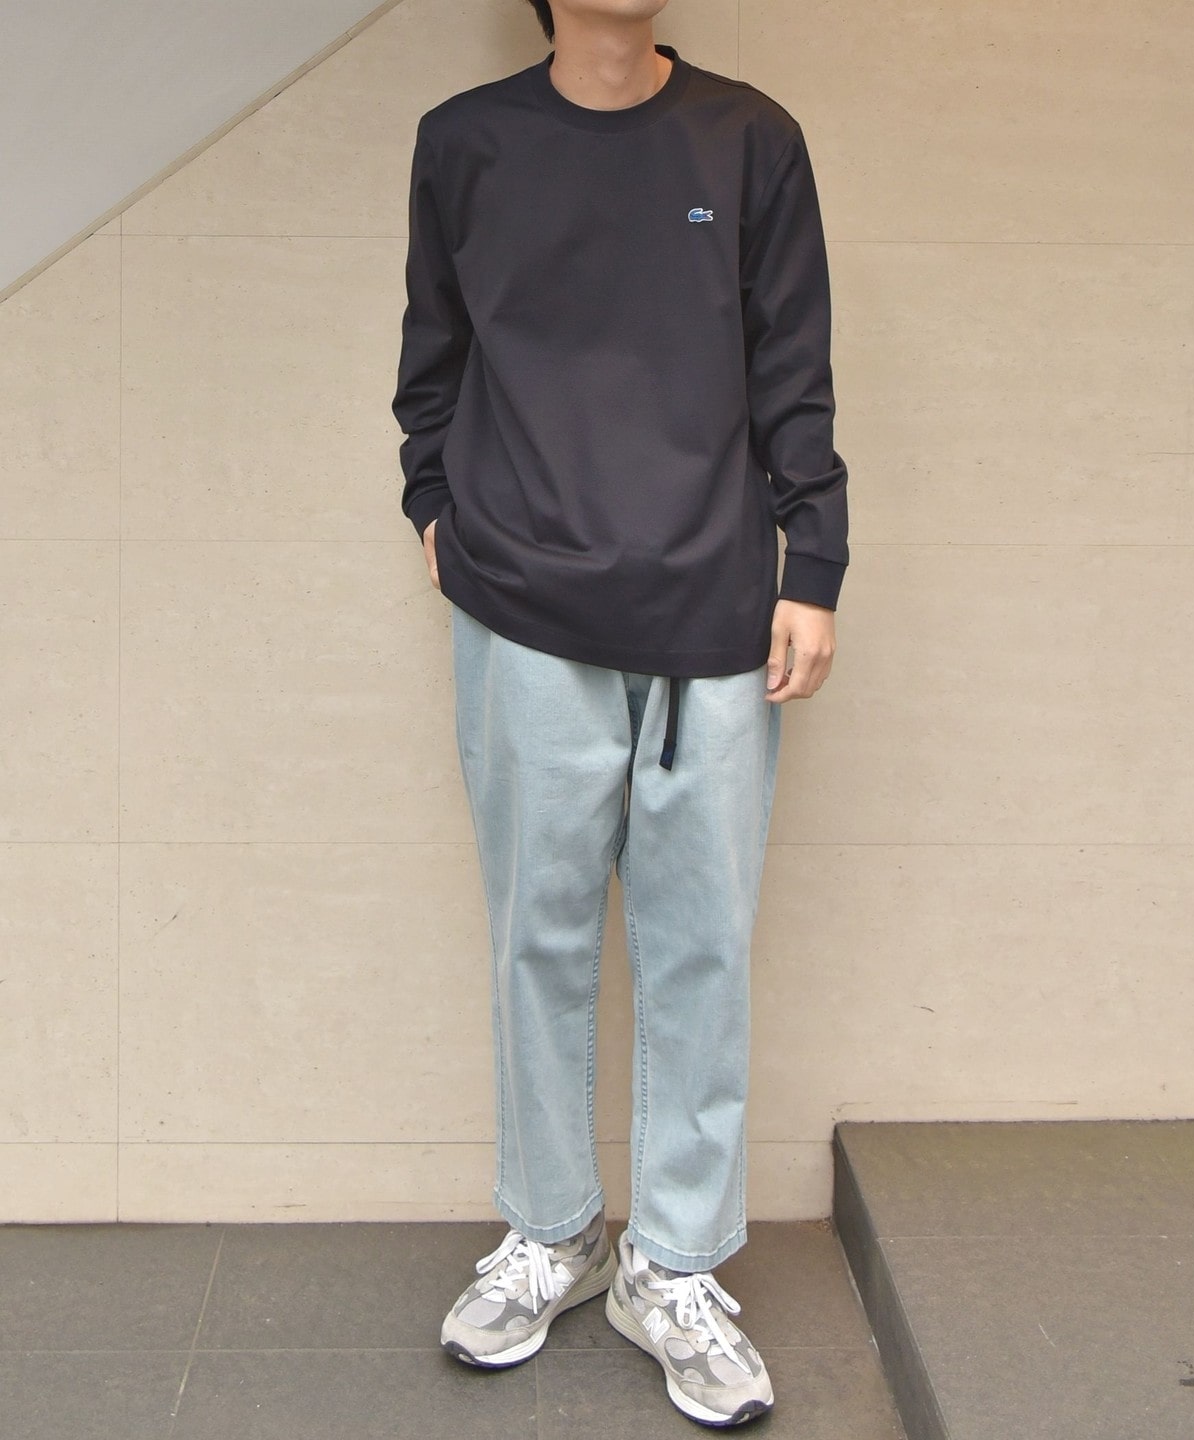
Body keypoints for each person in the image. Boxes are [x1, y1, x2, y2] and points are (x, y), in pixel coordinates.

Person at [391, 0, 848, 1426]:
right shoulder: (465, 144)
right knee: (537, 931)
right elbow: (430, 356)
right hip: (522, 600)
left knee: (700, 941)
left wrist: (815, 566)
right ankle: (552, 1232)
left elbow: (796, 367)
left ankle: (676, 1265)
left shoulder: (750, 138)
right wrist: (432, 503)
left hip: (715, 603)